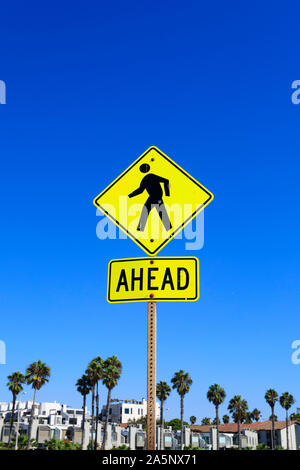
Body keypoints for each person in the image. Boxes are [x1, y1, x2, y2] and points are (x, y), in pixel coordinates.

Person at [128, 163, 172, 232]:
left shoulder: (151, 176)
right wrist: (130, 195)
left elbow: (166, 181)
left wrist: (167, 194)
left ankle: (168, 227)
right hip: (152, 197)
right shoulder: (145, 179)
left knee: (158, 211)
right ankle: (140, 228)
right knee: (147, 210)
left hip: (157, 197)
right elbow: (140, 190)